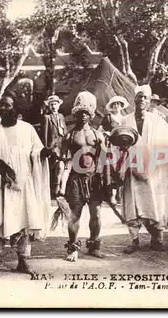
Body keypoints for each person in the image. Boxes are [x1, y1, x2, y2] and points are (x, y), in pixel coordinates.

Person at [0, 91, 52, 280]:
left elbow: (36, 151)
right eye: (1, 105)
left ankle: (22, 261)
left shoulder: (27, 129)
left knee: (23, 222)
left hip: (22, 184)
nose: (3, 109)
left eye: (8, 105)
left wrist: (44, 154)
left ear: (16, 108)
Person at [120, 84, 168, 253]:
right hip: (131, 168)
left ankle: (157, 238)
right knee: (132, 204)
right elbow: (117, 143)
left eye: (145, 98)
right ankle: (134, 240)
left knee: (154, 202)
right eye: (139, 96)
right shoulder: (126, 120)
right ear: (134, 99)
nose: (141, 100)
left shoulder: (156, 120)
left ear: (149, 102)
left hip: (152, 169)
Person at [61, 91, 107, 261]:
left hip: (94, 179)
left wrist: (106, 182)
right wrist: (60, 184)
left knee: (96, 214)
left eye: (86, 113)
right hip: (76, 179)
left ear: (91, 115)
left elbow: (104, 159)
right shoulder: (69, 136)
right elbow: (63, 161)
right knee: (75, 214)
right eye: (80, 113)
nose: (83, 116)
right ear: (75, 115)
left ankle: (94, 246)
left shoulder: (98, 135)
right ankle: (73, 248)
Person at [99, 96, 130, 204]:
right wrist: (106, 134)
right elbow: (100, 130)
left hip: (121, 146)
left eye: (119, 104)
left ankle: (119, 194)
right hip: (110, 145)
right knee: (109, 168)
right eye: (115, 104)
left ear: (121, 106)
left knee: (121, 169)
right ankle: (111, 195)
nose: (117, 106)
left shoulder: (125, 119)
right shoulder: (108, 117)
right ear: (112, 106)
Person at [40, 95, 67, 198]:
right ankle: (54, 189)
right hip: (53, 147)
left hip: (61, 145)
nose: (53, 106)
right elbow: (45, 134)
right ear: (49, 106)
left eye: (55, 104)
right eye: (51, 104)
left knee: (62, 167)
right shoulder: (46, 118)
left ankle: (58, 188)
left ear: (58, 105)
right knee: (54, 168)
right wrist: (46, 147)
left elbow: (64, 131)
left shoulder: (61, 117)